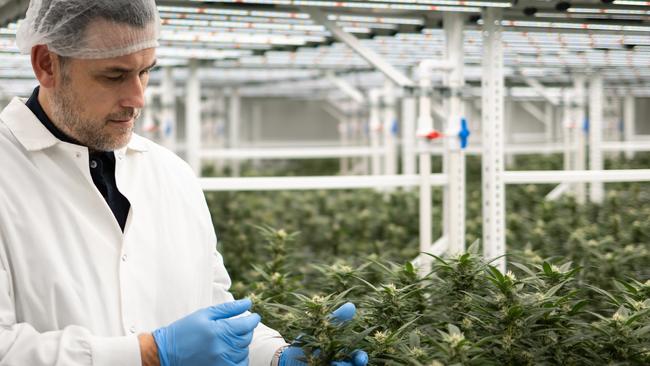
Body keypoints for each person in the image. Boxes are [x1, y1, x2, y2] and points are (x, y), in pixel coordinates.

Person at [0, 0, 369, 365]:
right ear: (47, 64)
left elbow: (212, 313)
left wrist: (276, 356)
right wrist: (147, 354)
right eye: (114, 75)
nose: (137, 98)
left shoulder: (171, 174)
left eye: (145, 72)